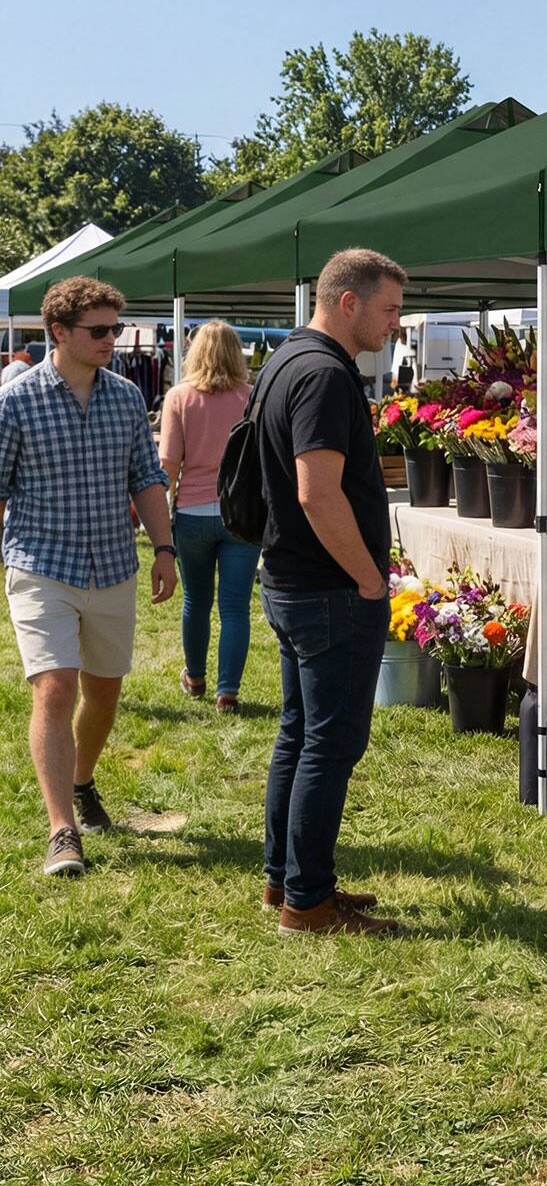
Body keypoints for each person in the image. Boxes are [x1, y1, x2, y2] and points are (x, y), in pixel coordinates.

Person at [0, 277, 176, 876]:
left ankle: (81, 780)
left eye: (115, 329)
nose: (111, 340)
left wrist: (165, 548)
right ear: (59, 332)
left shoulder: (127, 398)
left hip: (111, 566)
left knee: (104, 692)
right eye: (98, 330)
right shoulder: (16, 402)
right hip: (40, 565)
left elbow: (146, 477)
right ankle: (61, 832)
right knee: (56, 688)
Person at [256, 248, 405, 936]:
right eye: (389, 309)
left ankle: (288, 882)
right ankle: (306, 903)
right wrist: (369, 579)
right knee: (329, 745)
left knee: (300, 737)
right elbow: (318, 493)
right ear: (348, 302)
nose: (395, 325)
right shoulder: (322, 374)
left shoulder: (290, 357)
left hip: (293, 581)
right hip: (326, 590)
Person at [159, 321, 257, 712]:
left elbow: (168, 462)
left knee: (196, 601)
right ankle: (228, 690)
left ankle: (195, 677)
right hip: (241, 514)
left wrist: (162, 512)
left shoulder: (178, 397)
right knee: (235, 606)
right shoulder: (251, 397)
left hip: (192, 511)